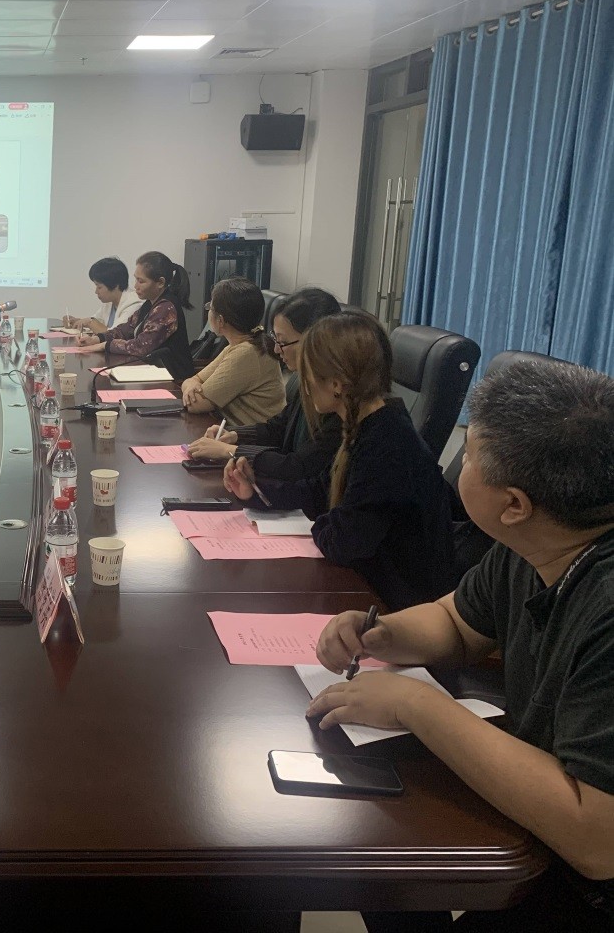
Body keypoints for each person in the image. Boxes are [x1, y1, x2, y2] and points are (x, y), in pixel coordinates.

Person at [308, 359, 614, 932]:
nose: (457, 463)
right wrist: (383, 633)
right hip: (549, 836)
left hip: (589, 888)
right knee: (381, 854)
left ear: (514, 504)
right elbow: (456, 622)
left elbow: (598, 840)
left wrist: (415, 704)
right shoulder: (537, 544)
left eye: (468, 454)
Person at [223, 310, 456, 610]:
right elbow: (321, 490)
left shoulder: (386, 445)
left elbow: (343, 542)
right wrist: (256, 491)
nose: (304, 383)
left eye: (308, 373)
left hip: (396, 604)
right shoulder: (370, 423)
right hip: (370, 585)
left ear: (336, 384)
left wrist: (322, 522)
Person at [186, 288, 342, 480]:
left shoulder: (336, 403)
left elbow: (298, 466)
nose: (276, 349)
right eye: (275, 339)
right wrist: (233, 434)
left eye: (282, 342)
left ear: (315, 341)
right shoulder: (307, 382)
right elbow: (278, 428)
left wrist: (231, 451)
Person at [75, 251, 196, 381]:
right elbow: (126, 329)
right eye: (135, 279)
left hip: (174, 380)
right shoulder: (150, 303)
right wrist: (97, 339)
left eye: (141, 281)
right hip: (152, 373)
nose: (135, 286)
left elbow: (140, 346)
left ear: (160, 283)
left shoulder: (166, 307)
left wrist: (104, 345)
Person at [180, 277, 286, 426]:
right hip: (230, 430)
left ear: (221, 320)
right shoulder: (240, 345)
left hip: (249, 436)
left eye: (210, 307)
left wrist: (190, 386)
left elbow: (195, 404)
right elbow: (195, 379)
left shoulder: (247, 353)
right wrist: (190, 384)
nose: (208, 311)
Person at [62, 257, 144, 335]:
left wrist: (89, 322)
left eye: (99, 287)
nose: (96, 292)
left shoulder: (134, 305)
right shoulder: (110, 302)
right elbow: (96, 321)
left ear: (115, 285)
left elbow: (116, 334)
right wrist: (77, 321)